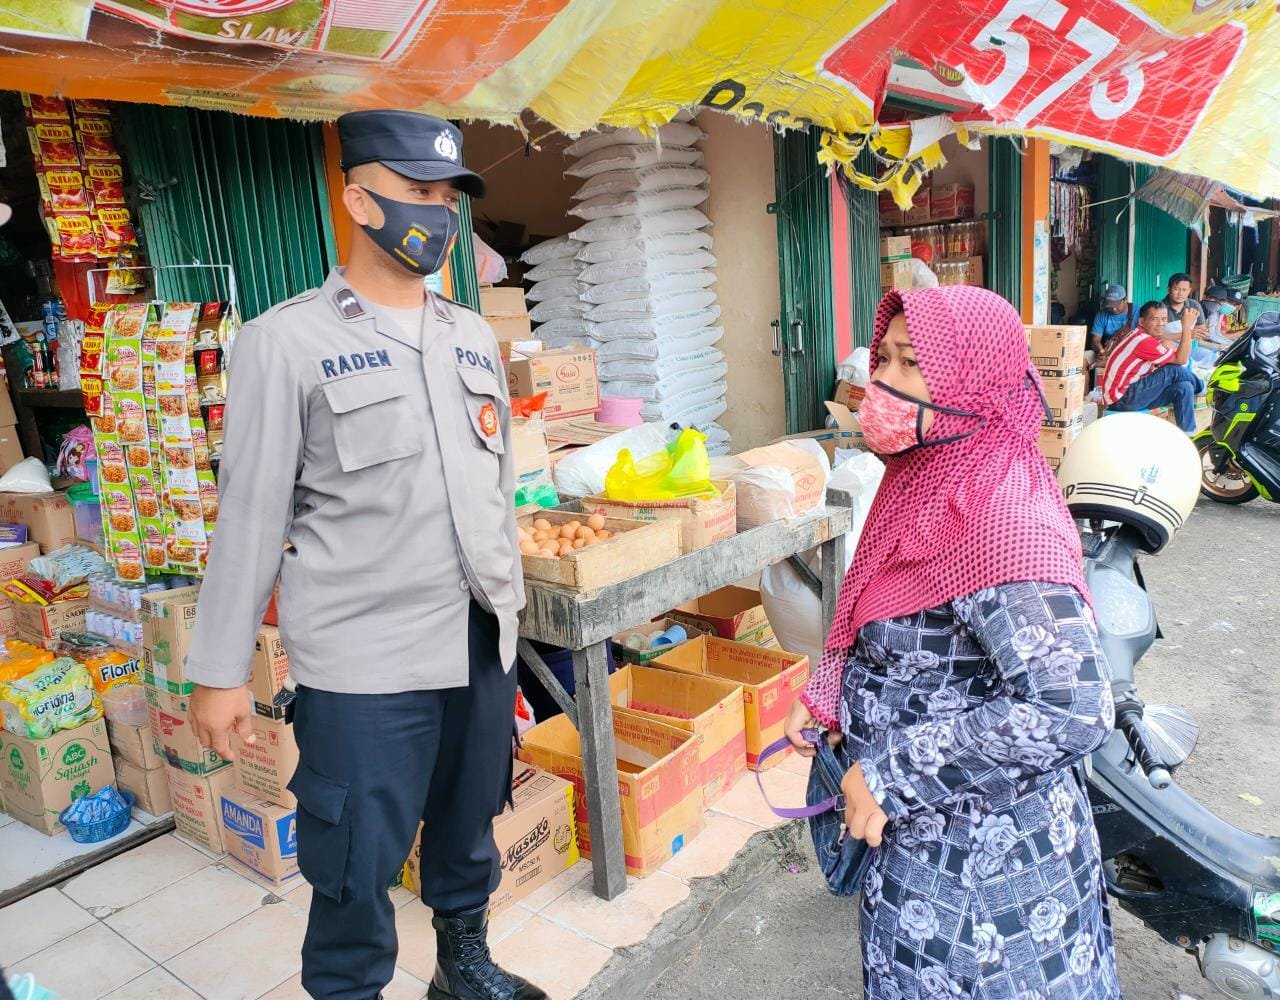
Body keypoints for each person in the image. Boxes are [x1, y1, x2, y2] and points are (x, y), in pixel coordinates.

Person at [184, 111, 544, 1000]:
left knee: (468, 825)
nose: (439, 214)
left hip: (475, 638)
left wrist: (510, 621)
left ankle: (464, 968)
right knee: (355, 861)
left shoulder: (468, 335)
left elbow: (496, 490)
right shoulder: (285, 342)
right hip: (365, 659)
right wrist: (220, 669)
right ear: (357, 198)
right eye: (418, 192)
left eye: (449, 197)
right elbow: (251, 517)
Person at [784, 285, 1120, 998]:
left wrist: (888, 773)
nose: (883, 383)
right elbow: (890, 627)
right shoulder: (926, 476)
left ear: (972, 378)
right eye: (886, 360)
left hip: (987, 891)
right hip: (918, 854)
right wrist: (828, 699)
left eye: (911, 365)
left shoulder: (1002, 513)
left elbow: (1071, 705)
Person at [1101, 300, 1201, 432]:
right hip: (1122, 398)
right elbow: (1180, 360)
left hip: (1131, 395)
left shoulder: (1142, 335)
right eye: (1155, 319)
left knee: (1184, 387)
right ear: (1141, 322)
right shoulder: (1142, 340)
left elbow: (1175, 357)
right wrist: (1187, 327)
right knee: (1173, 370)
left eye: (1164, 319)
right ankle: (1203, 387)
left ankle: (1189, 435)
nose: (1161, 324)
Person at [1089, 283, 1139, 358]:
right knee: (1085, 357)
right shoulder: (1101, 315)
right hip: (1109, 351)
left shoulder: (1138, 312)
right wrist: (1101, 351)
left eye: (1116, 305)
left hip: (1132, 352)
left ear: (1125, 300)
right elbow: (1095, 340)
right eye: (1110, 305)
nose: (1113, 309)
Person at [1164, 272, 1205, 343]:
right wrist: (1187, 334)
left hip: (1191, 345)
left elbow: (1201, 329)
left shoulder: (1194, 305)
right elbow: (1156, 335)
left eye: (1184, 290)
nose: (1180, 294)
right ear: (1168, 289)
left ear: (1189, 290)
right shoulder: (1159, 308)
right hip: (1168, 348)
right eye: (1176, 289)